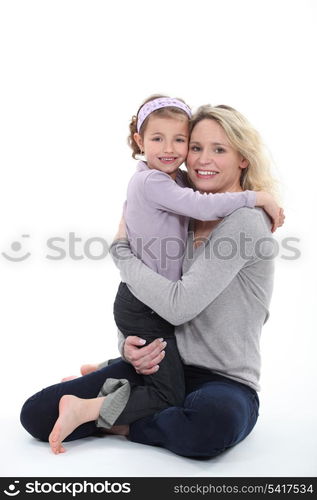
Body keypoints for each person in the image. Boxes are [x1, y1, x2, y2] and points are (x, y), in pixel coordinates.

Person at [20, 104, 284, 458]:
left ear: (242, 159)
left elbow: (178, 306)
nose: (203, 159)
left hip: (223, 380)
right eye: (196, 147)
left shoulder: (246, 221)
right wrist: (128, 346)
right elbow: (144, 296)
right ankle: (117, 383)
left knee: (209, 425)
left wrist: (120, 254)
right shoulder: (179, 209)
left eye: (219, 149)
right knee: (38, 415)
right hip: (163, 365)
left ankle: (116, 417)